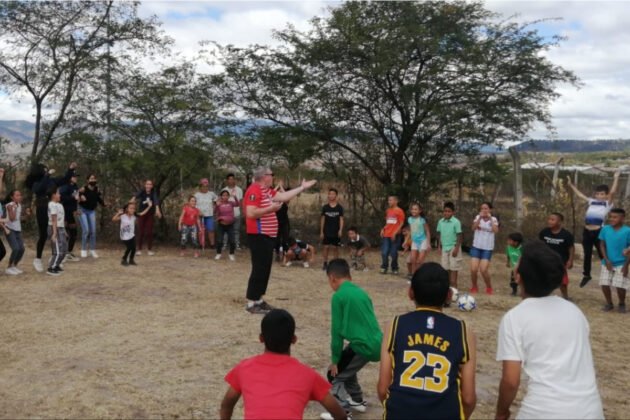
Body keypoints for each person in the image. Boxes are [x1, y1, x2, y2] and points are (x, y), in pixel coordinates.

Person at [495, 240, 604, 420]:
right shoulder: (575, 312)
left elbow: (510, 381)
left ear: (518, 277)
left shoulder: (514, 318)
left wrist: (501, 411)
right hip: (591, 410)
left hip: (543, 411)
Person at [377, 262, 477, 420]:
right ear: (449, 295)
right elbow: (468, 398)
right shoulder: (464, 331)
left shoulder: (394, 325)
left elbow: (383, 389)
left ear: (410, 293)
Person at [220, 309, 346, 420]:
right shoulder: (308, 375)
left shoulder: (244, 368)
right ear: (294, 339)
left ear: (261, 338)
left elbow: (227, 404)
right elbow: (339, 414)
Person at [243, 166, 316, 314]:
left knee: (265, 268)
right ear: (264, 176)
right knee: (259, 268)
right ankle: (251, 303)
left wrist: (301, 188)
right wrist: (270, 209)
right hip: (258, 235)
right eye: (271, 174)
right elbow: (250, 213)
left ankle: (259, 300)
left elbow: (284, 197)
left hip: (267, 236)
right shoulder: (254, 190)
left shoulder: (266, 191)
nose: (273, 177)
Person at [322, 259, 382, 417]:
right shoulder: (361, 292)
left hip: (363, 345)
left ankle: (341, 411)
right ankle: (357, 400)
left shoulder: (338, 296)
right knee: (348, 365)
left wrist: (335, 360)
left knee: (334, 375)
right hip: (377, 343)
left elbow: (336, 332)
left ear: (332, 278)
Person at [566, 171, 620, 287]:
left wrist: (616, 177)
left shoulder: (607, 204)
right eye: (597, 194)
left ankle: (610, 270)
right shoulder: (592, 201)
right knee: (587, 254)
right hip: (587, 231)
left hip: (598, 232)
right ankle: (587, 275)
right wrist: (571, 185)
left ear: (606, 195)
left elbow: (613, 192)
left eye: (602, 194)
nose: (599, 196)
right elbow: (580, 195)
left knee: (602, 253)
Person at [26, 162, 77, 273]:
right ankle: (38, 259)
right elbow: (39, 189)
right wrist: (47, 175)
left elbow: (65, 179)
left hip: (53, 208)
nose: (46, 170)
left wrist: (70, 169)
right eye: (45, 170)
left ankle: (55, 256)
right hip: (42, 208)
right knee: (43, 234)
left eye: (46, 169)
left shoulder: (52, 180)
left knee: (56, 233)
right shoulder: (36, 183)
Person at [597, 208, 630, 312]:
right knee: (604, 283)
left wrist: (626, 266)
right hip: (607, 262)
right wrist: (606, 260)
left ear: (622, 218)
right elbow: (602, 244)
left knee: (620, 285)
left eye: (615, 217)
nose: (612, 219)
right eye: (611, 217)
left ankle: (621, 303)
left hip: (621, 263)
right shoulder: (605, 229)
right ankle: (609, 303)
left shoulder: (628, 231)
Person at [538, 213, 575, 300]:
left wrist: (570, 260)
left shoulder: (566, 235)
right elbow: (539, 244)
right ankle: (542, 296)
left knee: (562, 281)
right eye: (549, 219)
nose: (550, 221)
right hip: (546, 260)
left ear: (560, 222)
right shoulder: (544, 232)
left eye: (553, 220)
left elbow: (571, 248)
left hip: (560, 262)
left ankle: (565, 297)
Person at [469, 202, 499, 295]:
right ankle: (474, 286)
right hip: (476, 247)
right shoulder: (478, 217)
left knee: (483, 270)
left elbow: (495, 230)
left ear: (490, 210)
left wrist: (490, 218)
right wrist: (480, 219)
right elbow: (473, 228)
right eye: (482, 209)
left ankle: (489, 287)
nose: (484, 210)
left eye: (486, 208)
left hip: (487, 248)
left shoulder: (493, 219)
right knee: (473, 269)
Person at [113, 201, 151, 266]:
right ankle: (124, 260)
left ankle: (131, 260)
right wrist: (118, 213)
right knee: (129, 247)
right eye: (131, 208)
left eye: (133, 208)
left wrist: (149, 206)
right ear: (127, 209)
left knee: (133, 248)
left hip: (131, 235)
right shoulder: (123, 216)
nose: (132, 209)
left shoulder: (134, 216)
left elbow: (142, 213)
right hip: (124, 236)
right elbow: (113, 219)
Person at [78, 174, 105, 259]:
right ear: (87, 180)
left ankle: (92, 250)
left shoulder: (97, 189)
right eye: (91, 178)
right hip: (82, 210)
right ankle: (83, 250)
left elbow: (98, 198)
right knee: (86, 230)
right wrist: (79, 195)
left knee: (93, 231)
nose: (93, 180)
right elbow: (76, 196)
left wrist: (104, 204)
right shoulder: (83, 189)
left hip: (91, 211)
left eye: (94, 178)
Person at [437, 202, 463, 289]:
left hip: (453, 247)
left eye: (449, 211)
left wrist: (456, 248)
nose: (446, 213)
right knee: (445, 267)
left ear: (453, 212)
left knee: (453, 268)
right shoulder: (440, 221)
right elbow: (439, 234)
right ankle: (447, 287)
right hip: (444, 247)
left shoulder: (456, 222)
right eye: (445, 211)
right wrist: (439, 246)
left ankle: (454, 287)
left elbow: (459, 235)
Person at [134, 179, 162, 256]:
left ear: (152, 186)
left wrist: (157, 209)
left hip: (150, 214)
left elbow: (156, 201)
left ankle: (149, 249)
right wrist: (131, 201)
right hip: (142, 214)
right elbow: (135, 196)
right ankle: (139, 249)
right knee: (141, 231)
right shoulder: (142, 191)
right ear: (145, 185)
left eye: (150, 184)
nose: (148, 186)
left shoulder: (153, 192)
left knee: (149, 232)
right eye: (147, 184)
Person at [4, 190, 28, 275]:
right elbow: (12, 218)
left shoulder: (19, 205)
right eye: (17, 195)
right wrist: (14, 208)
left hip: (18, 230)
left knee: (22, 249)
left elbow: (18, 219)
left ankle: (14, 266)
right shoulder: (9, 205)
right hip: (10, 229)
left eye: (20, 195)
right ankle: (9, 267)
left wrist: (26, 215)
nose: (19, 197)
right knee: (16, 248)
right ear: (12, 197)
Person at [380, 195, 405, 275]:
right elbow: (388, 222)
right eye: (388, 200)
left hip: (395, 236)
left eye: (391, 200)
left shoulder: (399, 211)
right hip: (386, 235)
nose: (389, 202)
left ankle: (394, 268)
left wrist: (395, 232)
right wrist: (383, 229)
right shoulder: (388, 210)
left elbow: (401, 223)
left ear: (396, 201)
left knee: (393, 253)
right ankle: (384, 267)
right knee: (384, 252)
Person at [321, 188, 345, 271]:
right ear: (328, 195)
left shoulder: (339, 208)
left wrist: (340, 230)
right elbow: (323, 219)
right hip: (326, 231)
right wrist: (321, 231)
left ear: (336, 195)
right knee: (326, 247)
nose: (331, 195)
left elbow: (341, 219)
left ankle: (335, 264)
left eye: (333, 194)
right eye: (330, 194)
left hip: (336, 231)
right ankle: (325, 263)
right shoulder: (325, 207)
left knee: (335, 248)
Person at [59, 173, 80, 261]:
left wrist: (75, 209)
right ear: (70, 178)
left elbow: (75, 199)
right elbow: (61, 198)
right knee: (66, 233)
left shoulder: (75, 186)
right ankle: (63, 253)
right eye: (74, 177)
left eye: (76, 177)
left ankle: (68, 252)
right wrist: (72, 197)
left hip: (71, 212)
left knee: (73, 233)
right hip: (65, 212)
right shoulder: (65, 186)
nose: (76, 178)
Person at [406, 203, 431, 275]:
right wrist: (406, 241)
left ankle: (420, 275)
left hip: (423, 241)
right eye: (412, 209)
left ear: (420, 211)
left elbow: (427, 231)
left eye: (416, 209)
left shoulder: (422, 220)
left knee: (419, 261)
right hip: (415, 242)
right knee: (413, 260)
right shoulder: (410, 219)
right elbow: (411, 231)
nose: (414, 211)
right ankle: (414, 276)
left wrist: (428, 243)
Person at [215, 189, 239, 261]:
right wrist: (216, 205)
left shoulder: (231, 203)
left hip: (230, 225)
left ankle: (231, 254)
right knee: (219, 241)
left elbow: (237, 204)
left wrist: (235, 196)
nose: (225, 197)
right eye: (223, 195)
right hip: (221, 225)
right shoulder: (219, 204)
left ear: (228, 196)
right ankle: (218, 253)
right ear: (221, 196)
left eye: (226, 195)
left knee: (232, 241)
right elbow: (215, 212)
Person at [47, 187, 67, 276]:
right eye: (58, 193)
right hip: (54, 228)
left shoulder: (59, 205)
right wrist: (54, 233)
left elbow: (61, 220)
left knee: (64, 250)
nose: (60, 195)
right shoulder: (52, 205)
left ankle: (57, 265)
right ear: (53, 195)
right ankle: (51, 268)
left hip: (61, 228)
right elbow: (54, 220)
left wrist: (64, 231)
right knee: (58, 250)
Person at [194, 178, 218, 251]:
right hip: (199, 215)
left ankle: (212, 244)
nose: (205, 187)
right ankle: (201, 244)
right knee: (200, 230)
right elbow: (193, 204)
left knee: (211, 230)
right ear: (200, 186)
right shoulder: (197, 195)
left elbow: (216, 201)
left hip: (209, 215)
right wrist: (198, 211)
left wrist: (214, 207)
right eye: (203, 186)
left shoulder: (211, 194)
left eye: (206, 186)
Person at [223, 173, 244, 249]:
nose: (231, 181)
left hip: (236, 213)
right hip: (227, 214)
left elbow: (241, 201)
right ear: (227, 180)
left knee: (236, 230)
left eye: (233, 179)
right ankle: (224, 244)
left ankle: (236, 244)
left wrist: (242, 211)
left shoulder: (239, 190)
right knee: (225, 230)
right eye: (230, 179)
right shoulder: (224, 190)